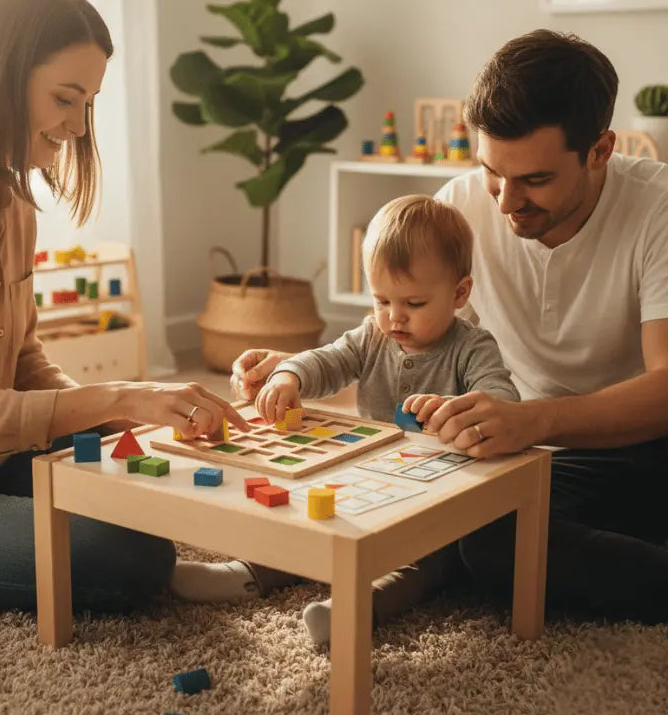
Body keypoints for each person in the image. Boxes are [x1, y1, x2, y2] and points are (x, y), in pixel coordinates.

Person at [231, 29, 668, 625]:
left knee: (491, 537)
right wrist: (292, 366)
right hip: (524, 449)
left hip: (637, 444)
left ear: (599, 150)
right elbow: (402, 327)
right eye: (492, 171)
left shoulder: (655, 208)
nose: (507, 201)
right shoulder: (460, 205)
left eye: (535, 180)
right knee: (466, 527)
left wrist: (534, 419)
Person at [0, 0, 247, 614]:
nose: (76, 125)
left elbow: (23, 362)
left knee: (155, 488)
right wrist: (120, 394)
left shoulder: (12, 201)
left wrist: (122, 416)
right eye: (65, 99)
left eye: (87, 104)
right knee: (127, 557)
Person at [170, 194, 520, 644]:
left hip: (441, 488)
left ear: (459, 293)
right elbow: (328, 360)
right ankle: (247, 574)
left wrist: (460, 410)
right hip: (369, 472)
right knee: (313, 518)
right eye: (381, 300)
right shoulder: (372, 336)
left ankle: (355, 608)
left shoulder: (473, 347)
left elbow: (501, 400)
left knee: (430, 557)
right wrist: (289, 375)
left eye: (414, 303)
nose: (394, 316)